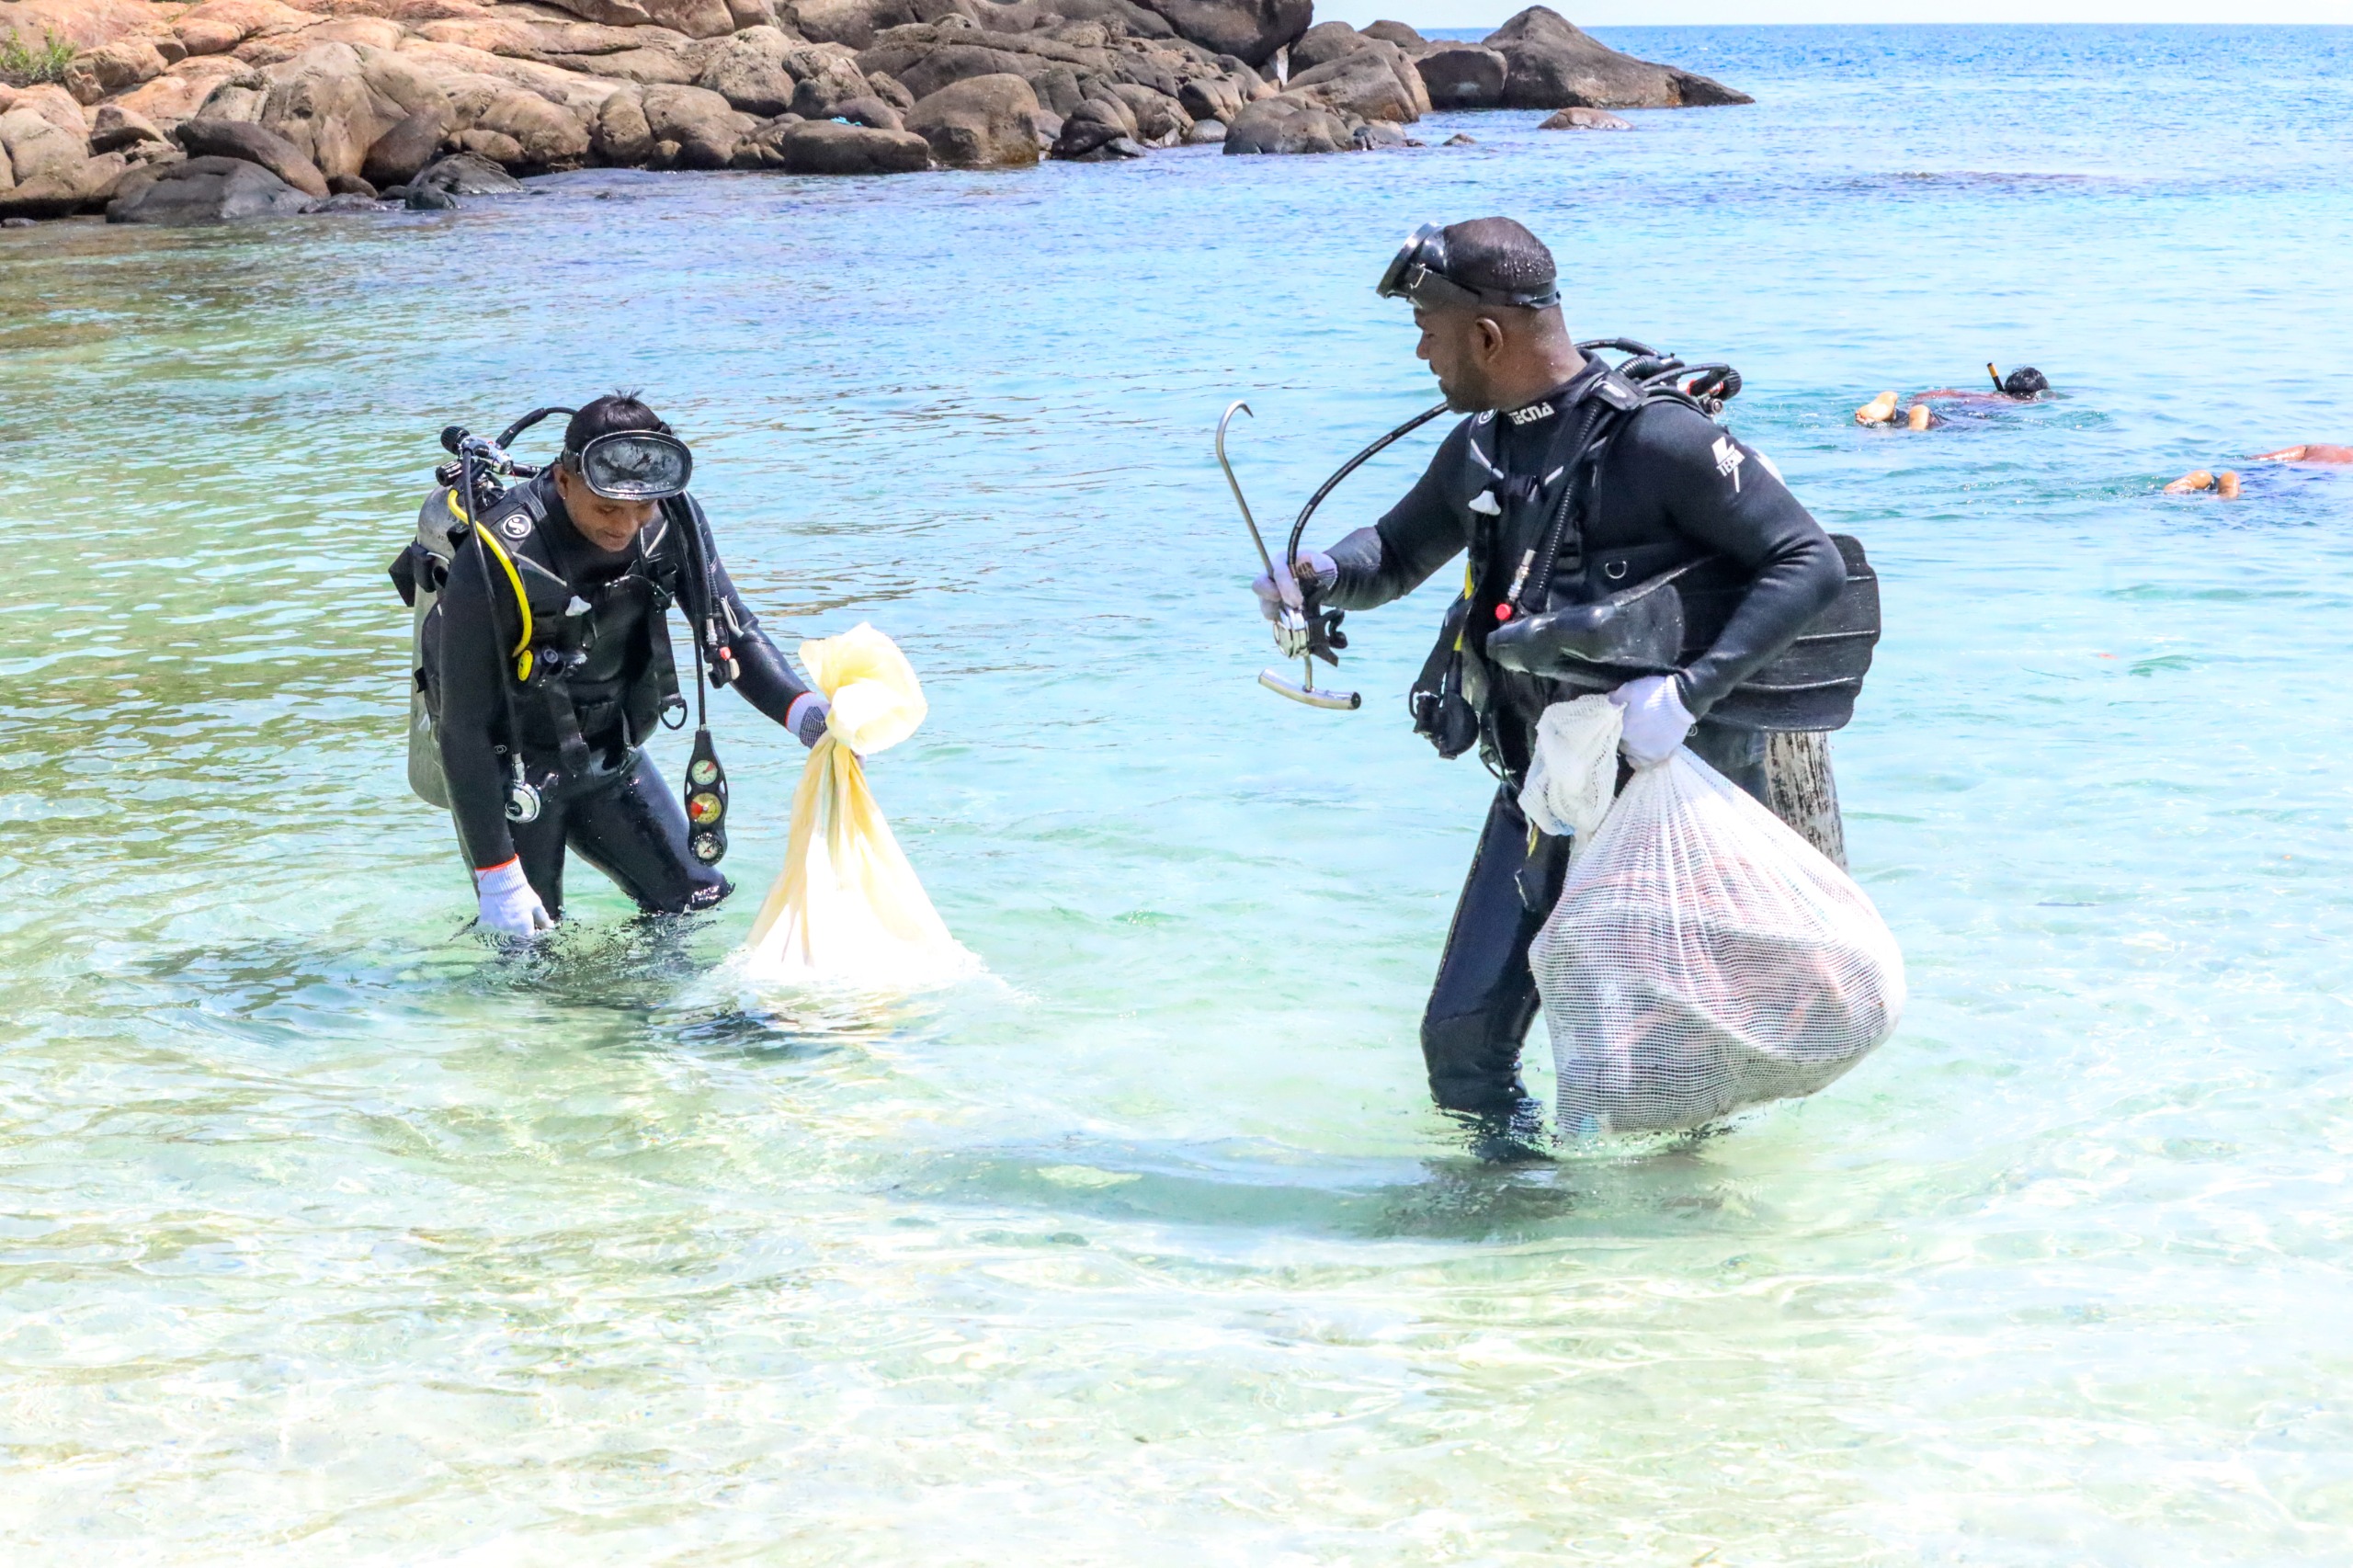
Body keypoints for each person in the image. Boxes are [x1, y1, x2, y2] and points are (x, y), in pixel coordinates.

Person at [1254, 218, 1847, 1154]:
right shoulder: (1481, 448)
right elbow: (1397, 550)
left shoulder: (1660, 439)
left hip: (1669, 793)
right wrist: (1320, 573)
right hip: (1540, 791)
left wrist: (1688, 693)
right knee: (1461, 1047)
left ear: (1488, 335)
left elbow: (1809, 562)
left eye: (1428, 331)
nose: (1421, 352)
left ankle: (1690, 1223)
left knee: (1675, 1057)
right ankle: (1520, 1215)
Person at [424, 393, 830, 938]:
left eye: (642, 509)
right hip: (513, 779)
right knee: (529, 949)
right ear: (564, 481)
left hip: (611, 758)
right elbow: (462, 728)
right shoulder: (496, 554)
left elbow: (732, 631)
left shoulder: (671, 520)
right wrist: (497, 875)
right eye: (607, 509)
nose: (626, 526)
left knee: (696, 902)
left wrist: (808, 716)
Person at [1856, 364, 2050, 429]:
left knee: (1898, 421)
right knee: (1934, 422)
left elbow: (1944, 392)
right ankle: (1921, 414)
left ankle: (1890, 405)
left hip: (1946, 408)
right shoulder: (2023, 402)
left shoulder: (1987, 395)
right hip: (1949, 418)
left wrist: (1912, 402)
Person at [2165, 444, 2353, 496]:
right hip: (2297, 480)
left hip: (2263, 472)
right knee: (2258, 492)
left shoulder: (2316, 448)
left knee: (2223, 481)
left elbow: (2263, 458)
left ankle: (2201, 478)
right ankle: (2229, 489)